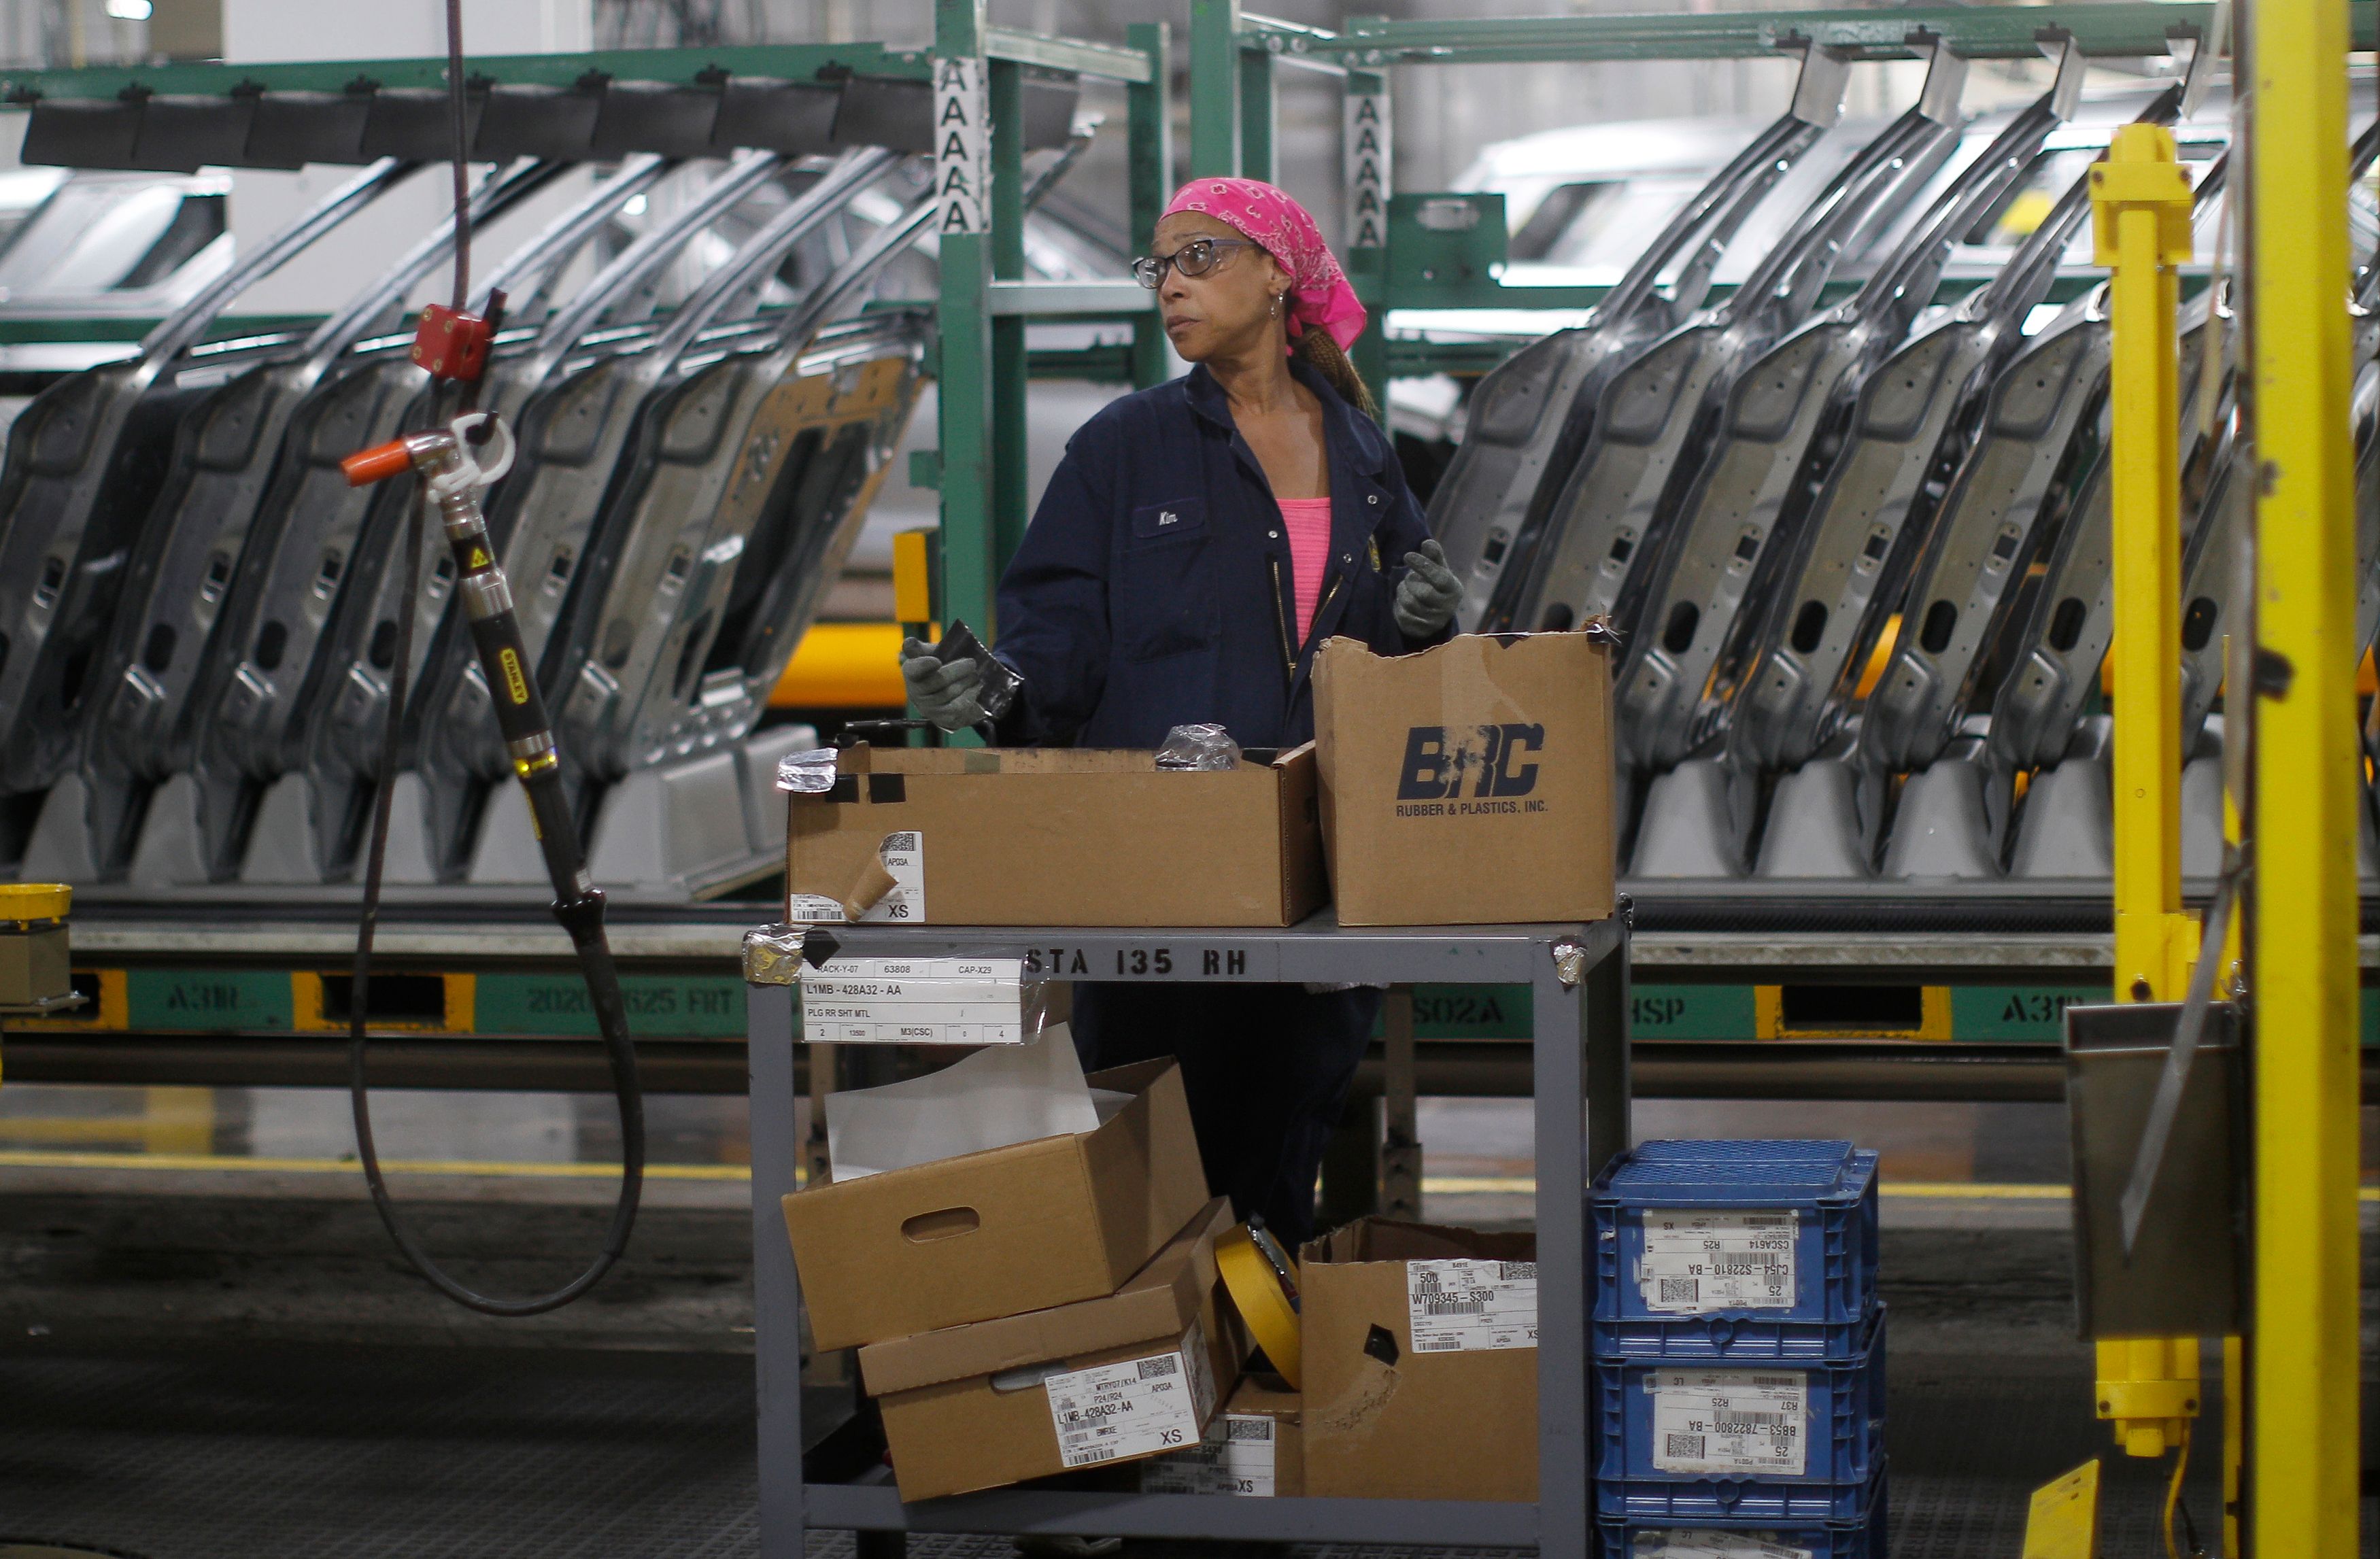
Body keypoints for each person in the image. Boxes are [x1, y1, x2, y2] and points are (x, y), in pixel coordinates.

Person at [899, 177, 1463, 1253]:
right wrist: (996, 690)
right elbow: (1060, 629)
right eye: (1158, 266)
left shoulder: (1357, 448)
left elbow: (1388, 655)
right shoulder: (1125, 448)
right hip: (1156, 880)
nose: (1171, 285)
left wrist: (1422, 621)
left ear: (1276, 271)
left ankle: (1256, 1403)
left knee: (1275, 1174)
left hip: (1313, 881)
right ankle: (1159, 1403)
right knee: (1150, 1178)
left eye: (1199, 257)